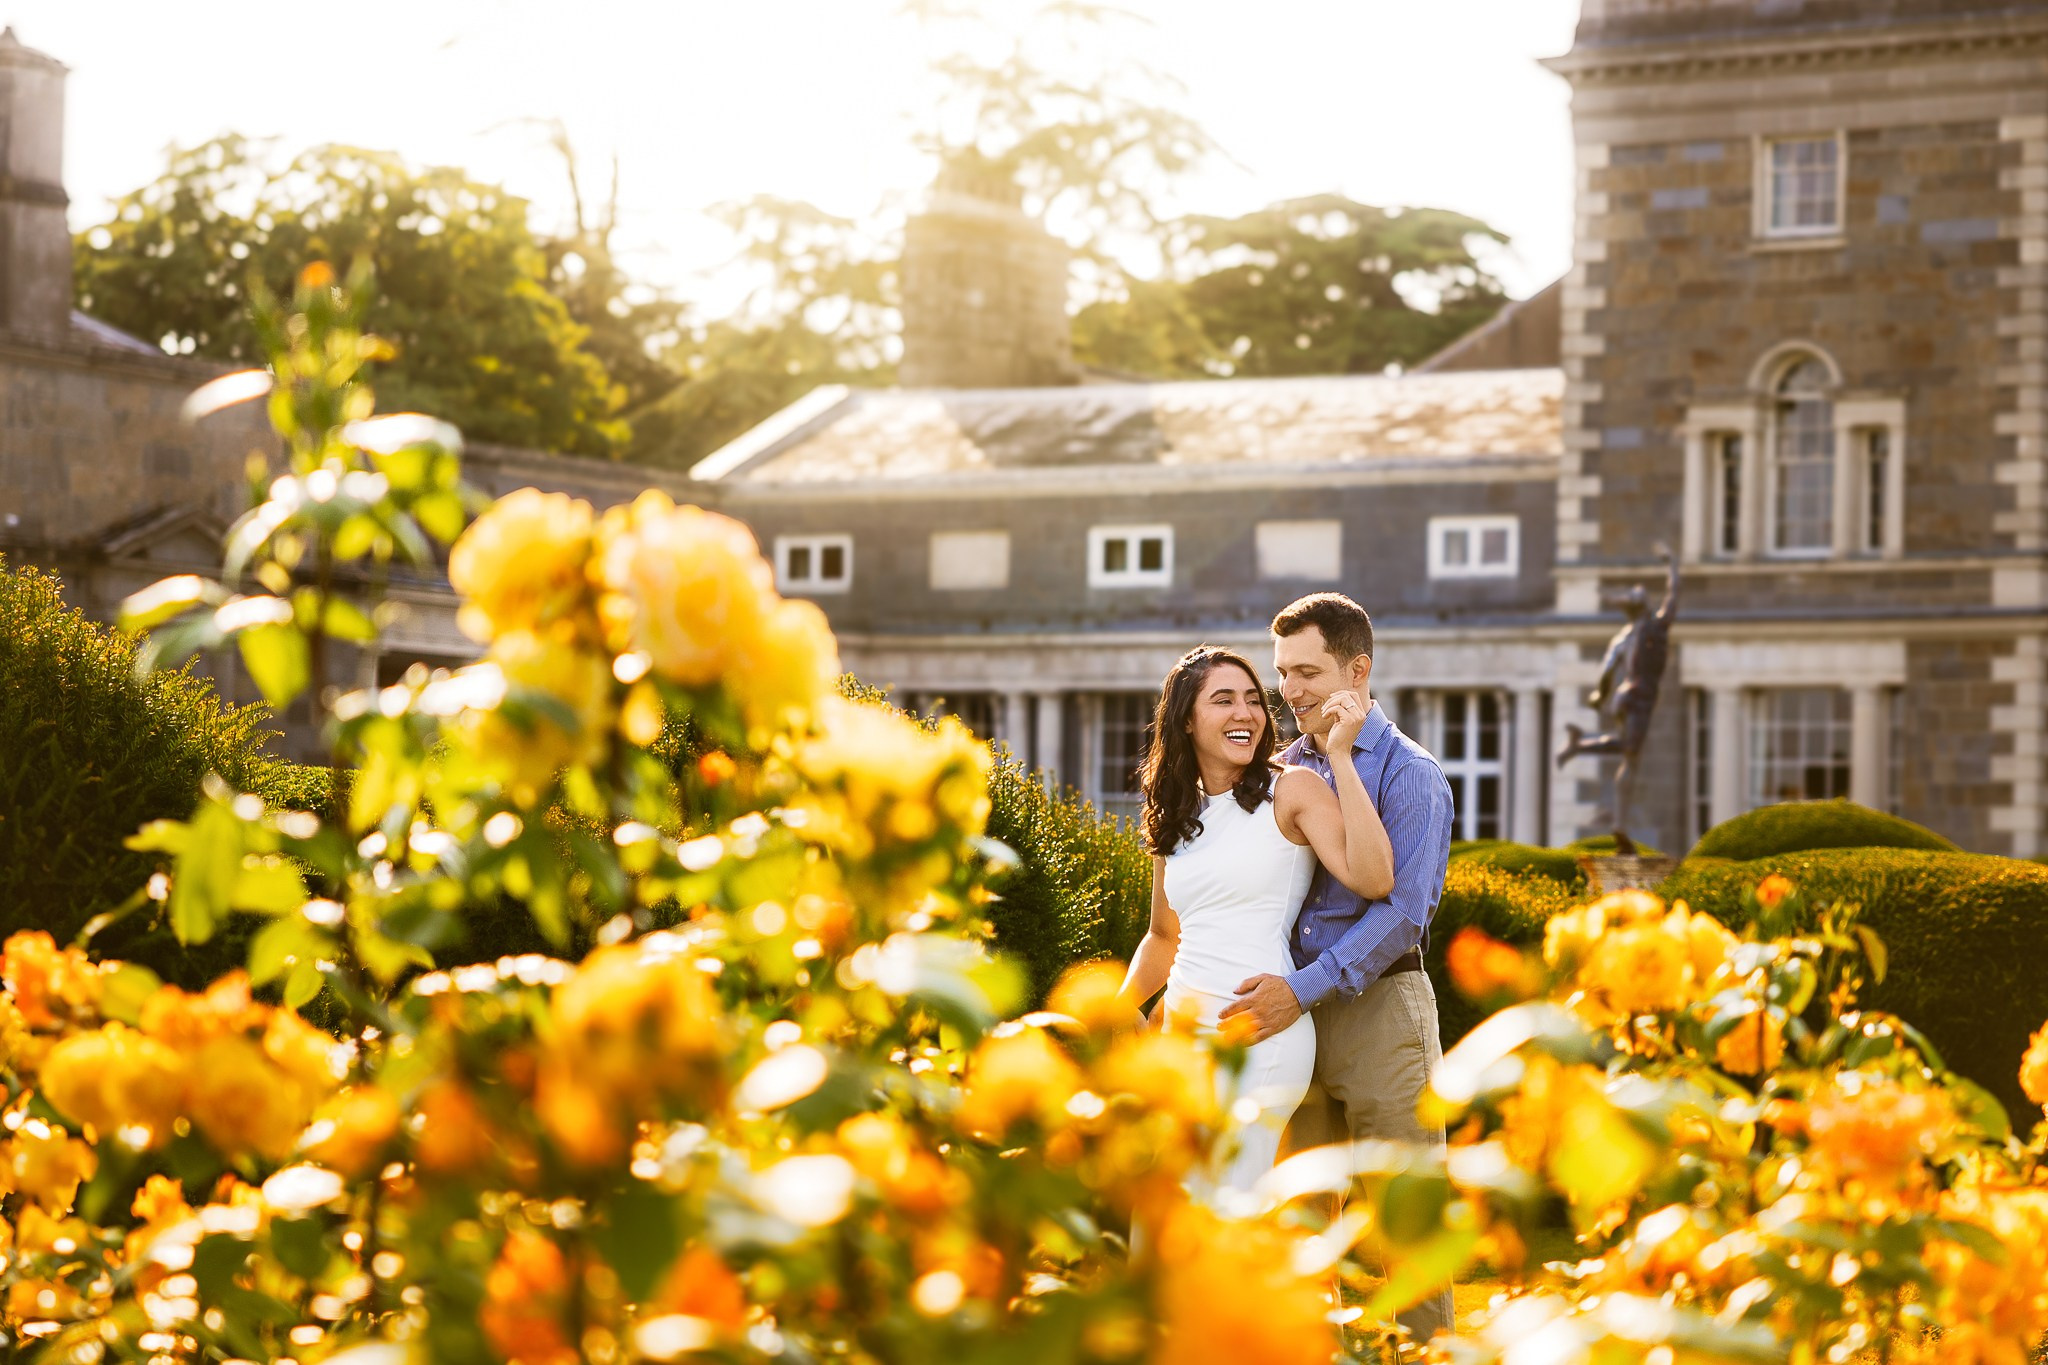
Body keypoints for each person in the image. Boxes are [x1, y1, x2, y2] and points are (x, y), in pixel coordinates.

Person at [1218, 592, 1455, 1344]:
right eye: (1283, 672)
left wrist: (1302, 989)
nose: (1290, 692)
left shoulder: (1412, 773)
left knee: (1407, 1229)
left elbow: (1404, 912)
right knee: (1295, 1227)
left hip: (1382, 1013)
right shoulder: (1281, 770)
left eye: (1308, 672)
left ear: (1359, 668)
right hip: (1290, 1026)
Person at [1114, 644, 1394, 1206]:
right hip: (1181, 1041)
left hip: (1260, 1034)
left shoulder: (1290, 788)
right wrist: (1119, 1011)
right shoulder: (1177, 811)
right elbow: (1164, 936)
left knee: (1224, 1213)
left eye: (1253, 700)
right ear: (1187, 719)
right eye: (1223, 700)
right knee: (1166, 1216)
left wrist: (1340, 757)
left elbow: (1375, 877)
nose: (1246, 713)